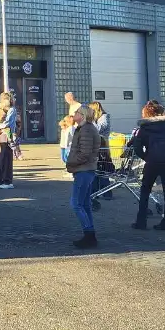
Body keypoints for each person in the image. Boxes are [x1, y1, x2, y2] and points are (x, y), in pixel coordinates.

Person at [125, 100, 165, 232]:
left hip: (152, 162)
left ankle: (141, 221)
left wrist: (145, 157)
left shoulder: (144, 128)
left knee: (145, 191)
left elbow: (136, 146)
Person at [67, 106, 101, 249]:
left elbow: (85, 153)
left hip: (84, 170)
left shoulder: (86, 129)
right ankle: (89, 233)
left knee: (76, 203)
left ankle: (89, 234)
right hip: (85, 170)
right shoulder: (84, 128)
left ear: (82, 115)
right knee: (85, 204)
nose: (73, 114)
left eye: (76, 112)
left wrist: (71, 162)